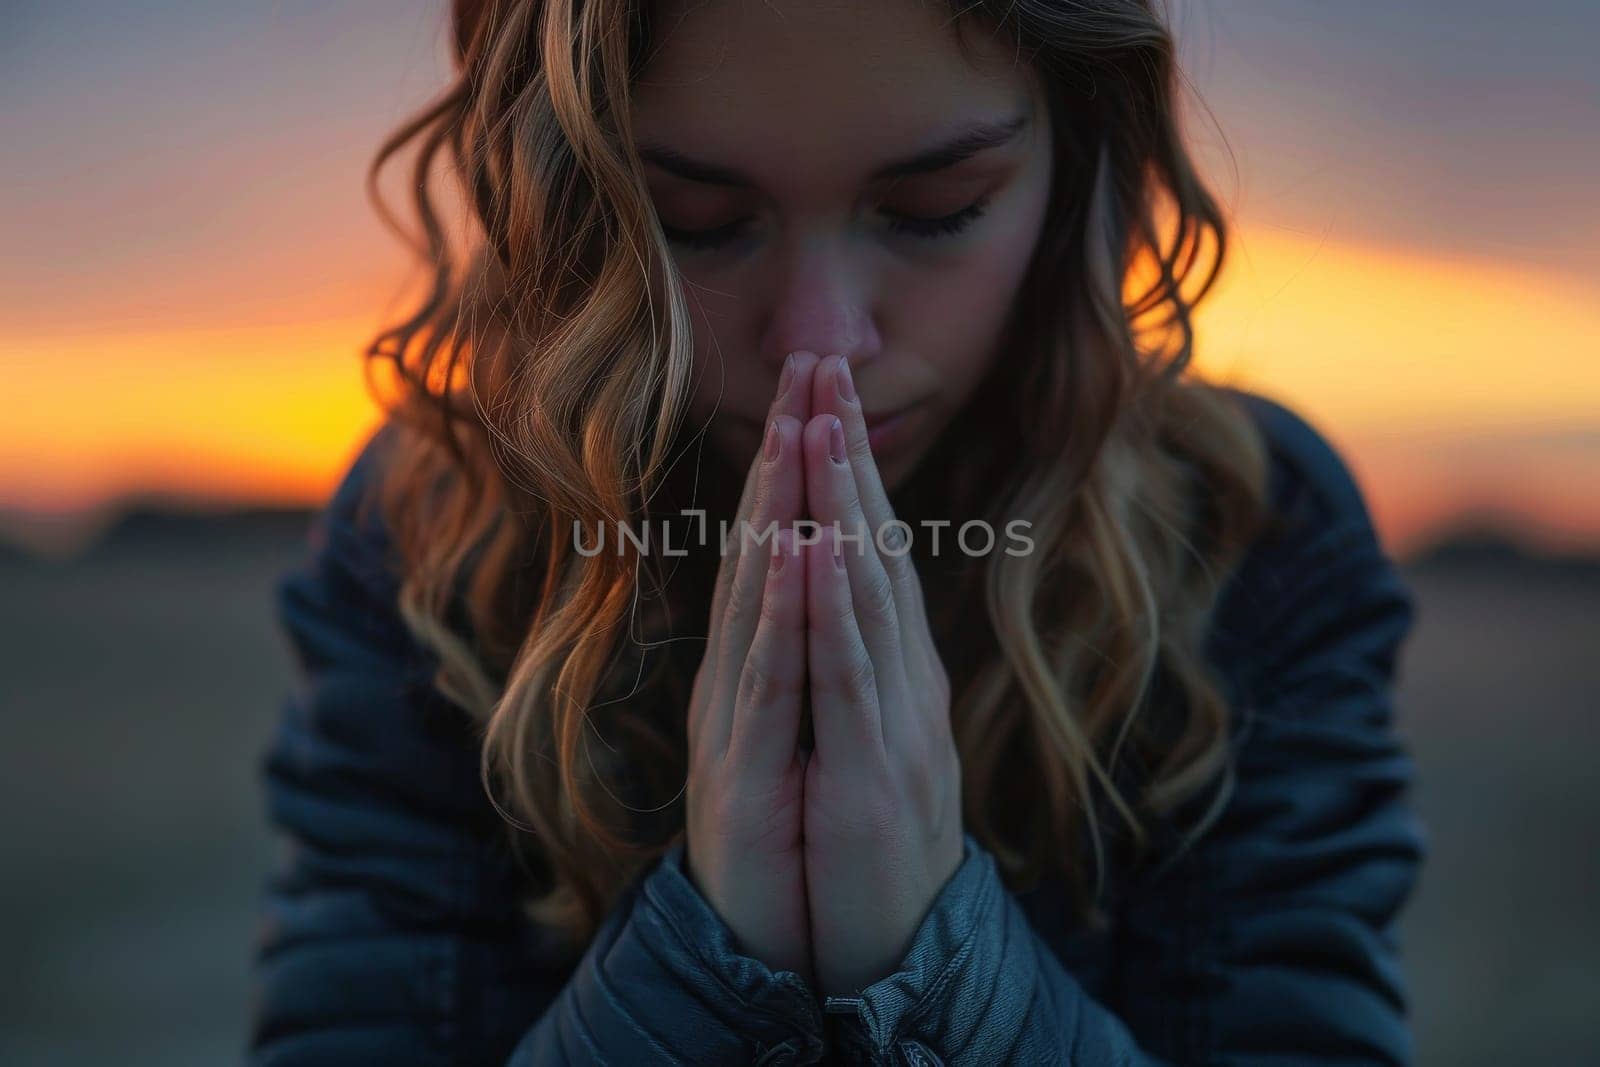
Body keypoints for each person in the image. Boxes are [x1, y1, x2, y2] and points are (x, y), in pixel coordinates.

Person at [249, 1, 1424, 1063]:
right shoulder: (440, 529)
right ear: (568, 203)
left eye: (935, 211)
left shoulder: (1240, 524)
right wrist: (712, 953)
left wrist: (928, 948)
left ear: (1081, 157)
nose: (823, 342)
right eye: (698, 222)